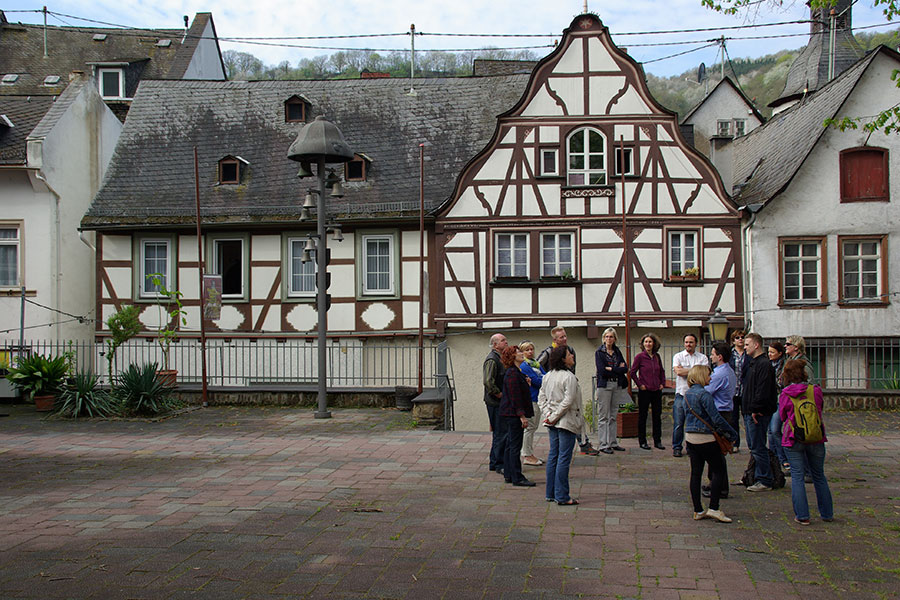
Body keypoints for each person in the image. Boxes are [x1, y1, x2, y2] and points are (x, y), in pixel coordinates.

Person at [779, 359, 833, 525]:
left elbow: (782, 416)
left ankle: (802, 516)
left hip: (793, 437)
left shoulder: (785, 394)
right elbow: (820, 408)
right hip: (815, 436)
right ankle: (827, 513)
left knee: (797, 476)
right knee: (819, 475)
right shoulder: (815, 390)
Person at [683, 365, 738, 523]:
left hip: (690, 437)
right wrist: (732, 434)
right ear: (701, 376)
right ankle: (714, 507)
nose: (710, 377)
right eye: (708, 374)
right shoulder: (704, 394)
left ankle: (698, 509)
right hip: (706, 438)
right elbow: (716, 418)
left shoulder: (687, 394)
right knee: (718, 469)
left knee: (695, 473)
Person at [538, 326, 598, 456]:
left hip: (568, 384)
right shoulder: (548, 352)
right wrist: (546, 377)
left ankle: (584, 443)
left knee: (575, 416)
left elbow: (572, 368)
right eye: (561, 337)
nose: (565, 339)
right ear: (555, 339)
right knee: (562, 426)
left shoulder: (570, 350)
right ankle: (578, 445)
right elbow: (537, 365)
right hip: (556, 391)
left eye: (565, 336)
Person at [538, 345, 585, 505]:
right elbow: (568, 401)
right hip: (565, 421)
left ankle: (551, 493)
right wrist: (554, 416)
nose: (572, 356)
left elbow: (541, 399)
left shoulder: (548, 376)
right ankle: (562, 496)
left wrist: (548, 415)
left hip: (552, 420)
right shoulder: (569, 377)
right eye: (569, 354)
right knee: (563, 457)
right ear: (563, 358)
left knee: (554, 456)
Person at [742, 332, 778, 492]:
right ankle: (757, 475)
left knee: (758, 446)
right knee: (754, 445)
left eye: (747, 344)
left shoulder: (763, 364)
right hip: (750, 410)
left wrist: (756, 409)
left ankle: (764, 479)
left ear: (756, 345)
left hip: (757, 413)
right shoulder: (753, 363)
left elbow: (762, 390)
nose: (744, 347)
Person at [702, 343, 736, 498]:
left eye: (713, 354)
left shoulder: (719, 374)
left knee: (716, 452)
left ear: (720, 357)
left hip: (719, 413)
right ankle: (715, 483)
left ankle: (720, 487)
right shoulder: (728, 371)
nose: (711, 356)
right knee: (717, 451)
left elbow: (707, 391)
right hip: (726, 411)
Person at [499, 345, 536, 487]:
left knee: (510, 444)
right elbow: (515, 397)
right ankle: (517, 476)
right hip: (513, 414)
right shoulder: (512, 373)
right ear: (513, 356)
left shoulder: (515, 372)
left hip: (510, 413)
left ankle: (509, 474)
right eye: (519, 352)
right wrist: (522, 416)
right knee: (515, 446)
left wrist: (526, 384)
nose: (522, 353)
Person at [671, 333, 709, 457]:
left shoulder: (702, 357)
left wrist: (686, 370)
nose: (689, 344)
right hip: (681, 394)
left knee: (694, 423)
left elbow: (704, 374)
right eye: (687, 342)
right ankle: (677, 447)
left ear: (696, 344)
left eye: (691, 342)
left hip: (697, 397)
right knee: (678, 423)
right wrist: (695, 370)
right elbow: (678, 371)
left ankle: (692, 447)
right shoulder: (678, 356)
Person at [594, 327, 629, 454]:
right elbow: (602, 370)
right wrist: (615, 369)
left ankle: (613, 442)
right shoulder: (599, 352)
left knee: (613, 414)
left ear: (615, 339)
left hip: (616, 385)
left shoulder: (617, 351)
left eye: (611, 337)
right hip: (605, 386)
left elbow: (625, 368)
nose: (609, 339)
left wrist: (611, 369)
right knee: (604, 415)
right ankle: (603, 444)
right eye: (607, 337)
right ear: (604, 338)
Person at [630, 333, 665, 450]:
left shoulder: (657, 357)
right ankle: (642, 441)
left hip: (656, 391)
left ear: (654, 343)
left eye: (650, 342)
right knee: (643, 416)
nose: (648, 344)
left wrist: (662, 383)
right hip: (645, 391)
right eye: (646, 342)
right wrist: (640, 385)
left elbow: (662, 371)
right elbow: (632, 372)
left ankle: (657, 441)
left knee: (657, 416)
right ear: (643, 344)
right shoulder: (639, 357)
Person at [483, 333, 508, 476]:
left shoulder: (499, 358)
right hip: (496, 402)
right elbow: (488, 381)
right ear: (495, 345)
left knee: (500, 432)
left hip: (497, 401)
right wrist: (499, 394)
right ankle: (499, 464)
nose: (506, 342)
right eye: (503, 341)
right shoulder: (492, 360)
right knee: (501, 432)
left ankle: (494, 462)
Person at [518, 341, 545, 467]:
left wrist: (542, 379)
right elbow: (537, 381)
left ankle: (529, 452)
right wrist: (542, 380)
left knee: (533, 427)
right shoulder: (524, 365)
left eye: (531, 349)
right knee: (530, 427)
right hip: (531, 398)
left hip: (537, 398)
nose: (530, 352)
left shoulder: (536, 364)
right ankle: (527, 454)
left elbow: (546, 376)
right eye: (527, 350)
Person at [768, 341, 789, 472]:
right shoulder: (768, 364)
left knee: (775, 430)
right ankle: (773, 459)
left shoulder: (785, 366)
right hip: (770, 399)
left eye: (772, 352)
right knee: (770, 432)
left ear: (780, 354)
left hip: (780, 399)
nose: (769, 354)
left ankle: (783, 458)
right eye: (768, 352)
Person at [728, 330, 748, 453]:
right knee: (733, 419)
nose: (740, 339)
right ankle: (735, 443)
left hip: (745, 390)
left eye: (742, 337)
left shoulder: (748, 353)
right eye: (737, 338)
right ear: (733, 340)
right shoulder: (730, 354)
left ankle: (750, 443)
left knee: (747, 418)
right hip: (733, 391)